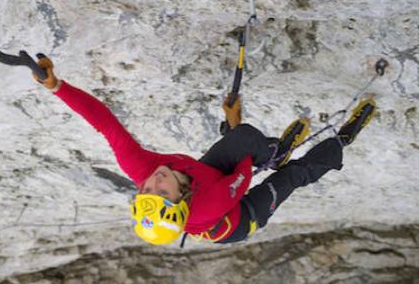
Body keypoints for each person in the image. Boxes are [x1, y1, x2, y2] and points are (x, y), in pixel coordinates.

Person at [33, 57, 376, 246]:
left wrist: (56, 86)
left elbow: (105, 123)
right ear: (180, 199)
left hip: (203, 177)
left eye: (146, 191)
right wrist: (239, 142)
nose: (155, 180)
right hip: (238, 216)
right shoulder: (211, 201)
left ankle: (272, 152)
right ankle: (337, 147)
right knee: (290, 176)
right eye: (161, 192)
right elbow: (242, 173)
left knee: (246, 139)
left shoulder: (140, 167)